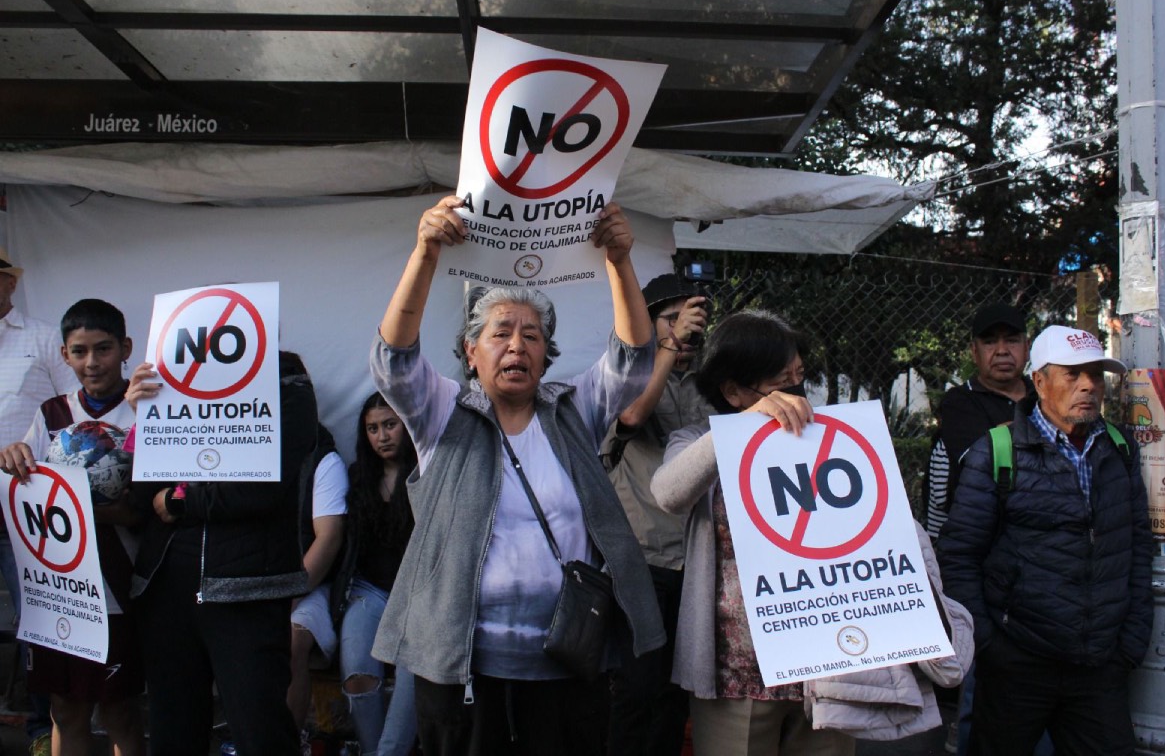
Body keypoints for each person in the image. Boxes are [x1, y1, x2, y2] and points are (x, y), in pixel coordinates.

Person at [368, 195, 664, 755]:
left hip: (565, 661)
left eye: (532, 336)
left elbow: (633, 360)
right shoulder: (443, 414)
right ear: (470, 351)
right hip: (463, 668)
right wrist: (425, 253)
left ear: (546, 355)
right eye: (501, 331)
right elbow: (393, 362)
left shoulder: (575, 411)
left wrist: (620, 261)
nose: (517, 345)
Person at [650, 310, 974, 756]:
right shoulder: (697, 439)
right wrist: (747, 427)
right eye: (782, 382)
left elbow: (881, 528)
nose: (797, 393)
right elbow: (668, 492)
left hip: (831, 669)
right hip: (736, 675)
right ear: (733, 390)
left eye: (800, 376)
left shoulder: (833, 440)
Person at [937, 325, 1154, 755]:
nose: (1089, 386)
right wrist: (991, 647)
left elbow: (1137, 547)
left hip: (1098, 667)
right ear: (1039, 381)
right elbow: (959, 556)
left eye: (1095, 374)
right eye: (1072, 374)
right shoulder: (998, 451)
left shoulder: (1118, 448)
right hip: (1018, 666)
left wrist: (1129, 643)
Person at [125, 351, 318, 756]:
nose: (210, 344)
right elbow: (143, 492)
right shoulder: (168, 385)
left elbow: (266, 484)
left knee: (260, 731)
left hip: (247, 589)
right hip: (167, 585)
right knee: (172, 731)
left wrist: (182, 501)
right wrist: (143, 416)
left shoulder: (286, 379)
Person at [0, 298, 145, 756]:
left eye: (102, 349)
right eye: (79, 351)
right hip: (61, 585)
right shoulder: (51, 414)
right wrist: (11, 460)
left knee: (119, 710)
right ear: (63, 355)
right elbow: (27, 490)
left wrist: (98, 509)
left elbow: (147, 509)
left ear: (125, 348)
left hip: (118, 587)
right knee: (65, 708)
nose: (91, 362)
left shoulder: (148, 410)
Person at [601, 273, 710, 756]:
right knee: (638, 689)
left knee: (675, 694)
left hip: (695, 560)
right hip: (642, 559)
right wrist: (667, 346)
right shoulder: (624, 369)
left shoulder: (707, 382)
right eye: (671, 319)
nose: (685, 332)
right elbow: (631, 418)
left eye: (692, 322)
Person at [0, 247, 75, 756]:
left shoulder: (45, 338)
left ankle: (41, 731)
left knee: (39, 617)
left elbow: (78, 415)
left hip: (26, 503)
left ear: (8, 284)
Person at [336, 393, 419, 756]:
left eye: (390, 425)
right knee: (357, 677)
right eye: (373, 428)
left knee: (411, 675)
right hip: (368, 591)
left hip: (417, 595)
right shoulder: (357, 478)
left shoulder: (425, 474)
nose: (382, 436)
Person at [280, 353, 349, 740]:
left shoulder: (322, 459)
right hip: (247, 578)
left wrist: (286, 594)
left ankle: (289, 742)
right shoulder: (242, 450)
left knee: (291, 642)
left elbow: (329, 537)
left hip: (305, 586)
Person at [923, 303, 1032, 540]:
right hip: (976, 537)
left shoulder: (1044, 396)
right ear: (974, 351)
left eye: (1011, 340)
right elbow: (982, 464)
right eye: (990, 342)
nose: (1002, 350)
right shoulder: (959, 403)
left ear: (1027, 348)